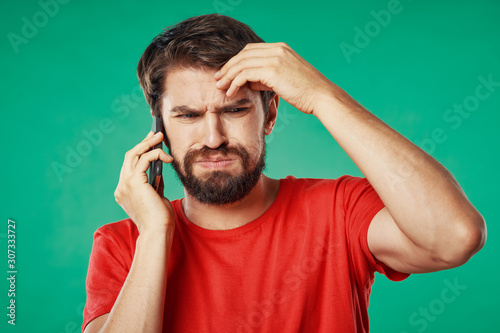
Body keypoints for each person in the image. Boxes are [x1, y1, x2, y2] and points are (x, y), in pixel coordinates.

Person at [81, 14, 486, 333]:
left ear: (270, 114)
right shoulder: (124, 244)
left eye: (235, 109)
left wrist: (320, 95)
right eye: (187, 116)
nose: (213, 138)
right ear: (159, 131)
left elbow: (455, 237)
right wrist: (154, 235)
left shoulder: (340, 211)